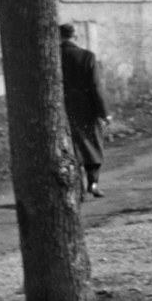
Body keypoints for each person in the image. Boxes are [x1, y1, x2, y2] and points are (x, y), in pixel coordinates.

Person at [59, 23, 110, 198]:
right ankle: (93, 184)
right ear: (75, 37)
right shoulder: (87, 56)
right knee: (92, 148)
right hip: (86, 111)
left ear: (58, 37)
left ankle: (77, 188)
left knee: (71, 150)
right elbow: (96, 87)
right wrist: (104, 113)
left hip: (62, 111)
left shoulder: (53, 57)